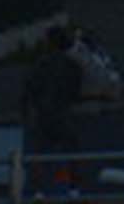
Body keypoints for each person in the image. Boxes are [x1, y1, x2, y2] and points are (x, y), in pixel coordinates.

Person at [20, 24, 84, 161]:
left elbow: (28, 91)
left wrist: (27, 113)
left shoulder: (40, 66)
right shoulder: (72, 66)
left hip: (43, 116)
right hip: (62, 115)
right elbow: (76, 91)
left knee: (40, 155)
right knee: (70, 153)